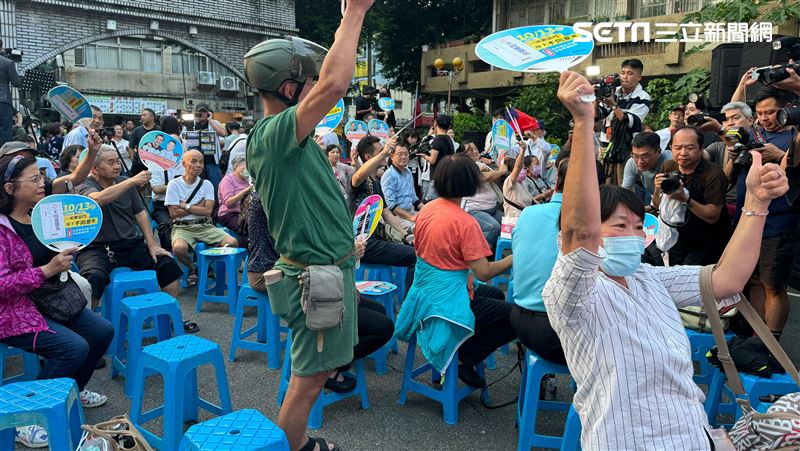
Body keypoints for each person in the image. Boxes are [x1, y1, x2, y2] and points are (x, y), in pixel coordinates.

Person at [544, 70, 789, 450]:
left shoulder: (649, 279)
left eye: (639, 226)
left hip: (692, 437)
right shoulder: (574, 294)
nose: (634, 235)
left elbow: (726, 279)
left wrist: (757, 203)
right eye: (618, 226)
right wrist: (583, 121)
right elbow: (581, 234)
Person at [243, 3, 375, 447]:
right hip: (316, 278)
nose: (319, 88)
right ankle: (293, 446)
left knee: (315, 375)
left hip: (330, 271)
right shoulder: (272, 134)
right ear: (287, 86)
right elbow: (338, 82)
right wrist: (354, 12)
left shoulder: (288, 136)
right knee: (308, 381)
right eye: (309, 82)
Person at [0, 155, 113, 449]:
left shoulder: (41, 213)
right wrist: (47, 270)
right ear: (10, 189)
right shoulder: (1, 229)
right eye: (34, 179)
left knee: (102, 332)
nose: (43, 182)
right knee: (73, 348)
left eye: (41, 176)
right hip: (15, 310)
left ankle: (73, 389)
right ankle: (26, 418)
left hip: (53, 299)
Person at [394, 153, 516, 389]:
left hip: (424, 291)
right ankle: (463, 359)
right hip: (446, 300)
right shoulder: (465, 222)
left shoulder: (427, 210)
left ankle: (461, 351)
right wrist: (515, 258)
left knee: (495, 297)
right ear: (471, 183)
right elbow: (484, 272)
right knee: (514, 317)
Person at [728, 87, 799, 342]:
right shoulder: (751, 135)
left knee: (773, 285)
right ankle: (756, 337)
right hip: (746, 220)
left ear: (786, 109)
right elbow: (729, 175)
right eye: (760, 113)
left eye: (770, 112)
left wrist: (779, 155)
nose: (765, 118)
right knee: (755, 280)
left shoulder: (794, 138)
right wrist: (733, 154)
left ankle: (774, 342)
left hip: (778, 222)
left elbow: (793, 174)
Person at [75, 145, 182, 310]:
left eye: (118, 161)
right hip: (96, 248)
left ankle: (169, 315)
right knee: (93, 278)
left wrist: (152, 245)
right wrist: (132, 181)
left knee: (167, 264)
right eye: (111, 163)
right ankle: (89, 327)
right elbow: (96, 200)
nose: (117, 166)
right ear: (95, 168)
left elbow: (140, 214)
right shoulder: (84, 184)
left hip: (130, 243)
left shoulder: (124, 182)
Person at [652, 127, 731, 265]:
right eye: (678, 148)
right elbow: (658, 205)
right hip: (677, 236)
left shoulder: (713, 174)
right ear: (671, 148)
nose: (683, 153)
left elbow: (712, 216)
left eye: (689, 148)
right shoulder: (669, 166)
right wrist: (658, 188)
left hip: (708, 239)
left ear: (701, 148)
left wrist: (686, 199)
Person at [350, 136, 416, 287]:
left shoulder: (376, 183)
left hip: (375, 239)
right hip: (360, 245)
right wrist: (386, 151)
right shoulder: (359, 179)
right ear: (368, 157)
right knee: (414, 256)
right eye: (381, 151)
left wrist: (406, 235)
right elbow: (358, 176)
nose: (386, 154)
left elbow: (387, 214)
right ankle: (409, 306)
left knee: (413, 249)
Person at [166, 150, 237, 286]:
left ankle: (208, 264)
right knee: (179, 249)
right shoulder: (174, 184)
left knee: (232, 242)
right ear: (183, 163)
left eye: (201, 162)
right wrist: (198, 206)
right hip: (182, 227)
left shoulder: (207, 184)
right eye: (193, 161)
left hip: (205, 226)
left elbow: (208, 211)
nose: (198, 165)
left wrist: (186, 206)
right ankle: (195, 268)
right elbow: (174, 213)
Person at [598, 58, 651, 184]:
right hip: (606, 143)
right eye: (623, 73)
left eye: (630, 73)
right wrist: (596, 96)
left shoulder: (643, 96)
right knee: (602, 180)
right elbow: (600, 115)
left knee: (623, 183)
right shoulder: (613, 91)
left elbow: (632, 122)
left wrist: (614, 105)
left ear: (639, 77)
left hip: (626, 146)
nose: (624, 77)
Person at [463, 141, 507, 249]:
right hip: (475, 210)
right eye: (469, 150)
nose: (474, 151)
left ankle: (494, 253)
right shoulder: (464, 167)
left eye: (475, 148)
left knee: (509, 225)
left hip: (492, 208)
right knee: (493, 227)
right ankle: (475, 253)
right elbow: (483, 178)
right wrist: (500, 171)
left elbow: (494, 177)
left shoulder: (480, 165)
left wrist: (492, 172)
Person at [380, 141, 422, 234]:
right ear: (392, 156)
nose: (403, 157)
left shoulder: (408, 172)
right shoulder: (389, 175)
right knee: (422, 228)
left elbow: (414, 198)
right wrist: (411, 217)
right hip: (397, 217)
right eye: (400, 154)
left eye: (406, 154)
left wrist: (427, 209)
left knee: (432, 220)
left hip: (411, 212)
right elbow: (391, 205)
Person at [621, 131, 672, 206]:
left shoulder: (671, 162)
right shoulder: (632, 162)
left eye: (645, 156)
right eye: (635, 156)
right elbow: (624, 193)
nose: (640, 161)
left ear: (658, 152)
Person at [217, 156, 252, 248]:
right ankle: (244, 253)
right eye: (244, 168)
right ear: (236, 166)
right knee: (247, 227)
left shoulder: (248, 180)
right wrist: (246, 190)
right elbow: (229, 202)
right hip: (229, 213)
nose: (246, 171)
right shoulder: (228, 180)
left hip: (245, 213)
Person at [419, 115, 454, 201]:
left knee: (429, 201)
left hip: (436, 176)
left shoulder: (438, 139)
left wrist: (424, 156)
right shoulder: (449, 139)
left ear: (436, 125)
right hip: (446, 174)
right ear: (449, 126)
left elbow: (432, 160)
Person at [502, 141, 533, 216]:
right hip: (514, 218)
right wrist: (522, 151)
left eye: (524, 168)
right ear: (511, 171)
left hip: (525, 216)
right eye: (521, 168)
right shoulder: (510, 181)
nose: (523, 170)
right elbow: (517, 167)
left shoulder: (523, 182)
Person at [128, 108, 160, 175]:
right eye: (141, 115)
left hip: (155, 165)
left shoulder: (160, 130)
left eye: (145, 115)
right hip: (138, 166)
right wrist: (134, 160)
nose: (142, 117)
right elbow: (131, 147)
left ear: (152, 117)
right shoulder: (136, 131)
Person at [0, 47, 20, 146]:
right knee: (5, 129)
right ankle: (4, 156)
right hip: (3, 100)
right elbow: (16, 83)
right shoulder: (7, 62)